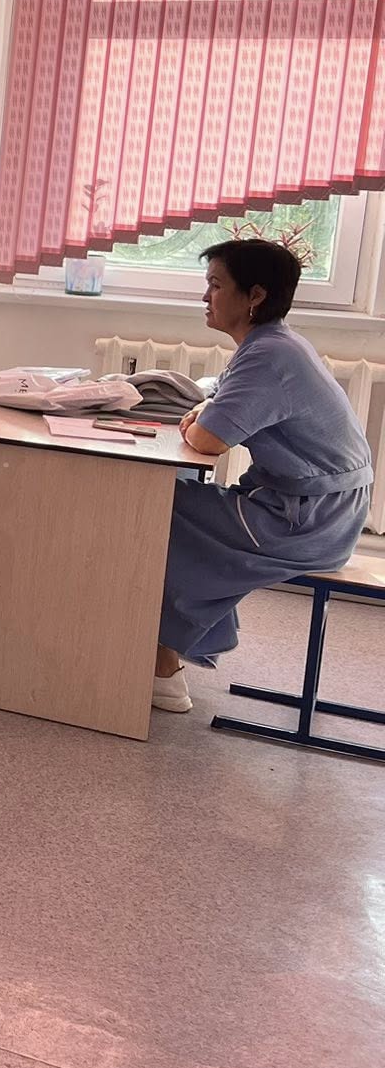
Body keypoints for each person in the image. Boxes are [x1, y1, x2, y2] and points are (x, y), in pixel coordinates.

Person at [155, 239, 373, 713]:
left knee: (151, 508)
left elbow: (209, 439)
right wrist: (206, 413)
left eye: (216, 285)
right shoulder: (274, 343)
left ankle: (162, 667)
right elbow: (215, 410)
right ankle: (165, 650)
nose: (205, 296)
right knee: (171, 502)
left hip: (308, 520)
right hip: (318, 508)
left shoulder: (269, 355)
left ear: (254, 295)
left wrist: (201, 417)